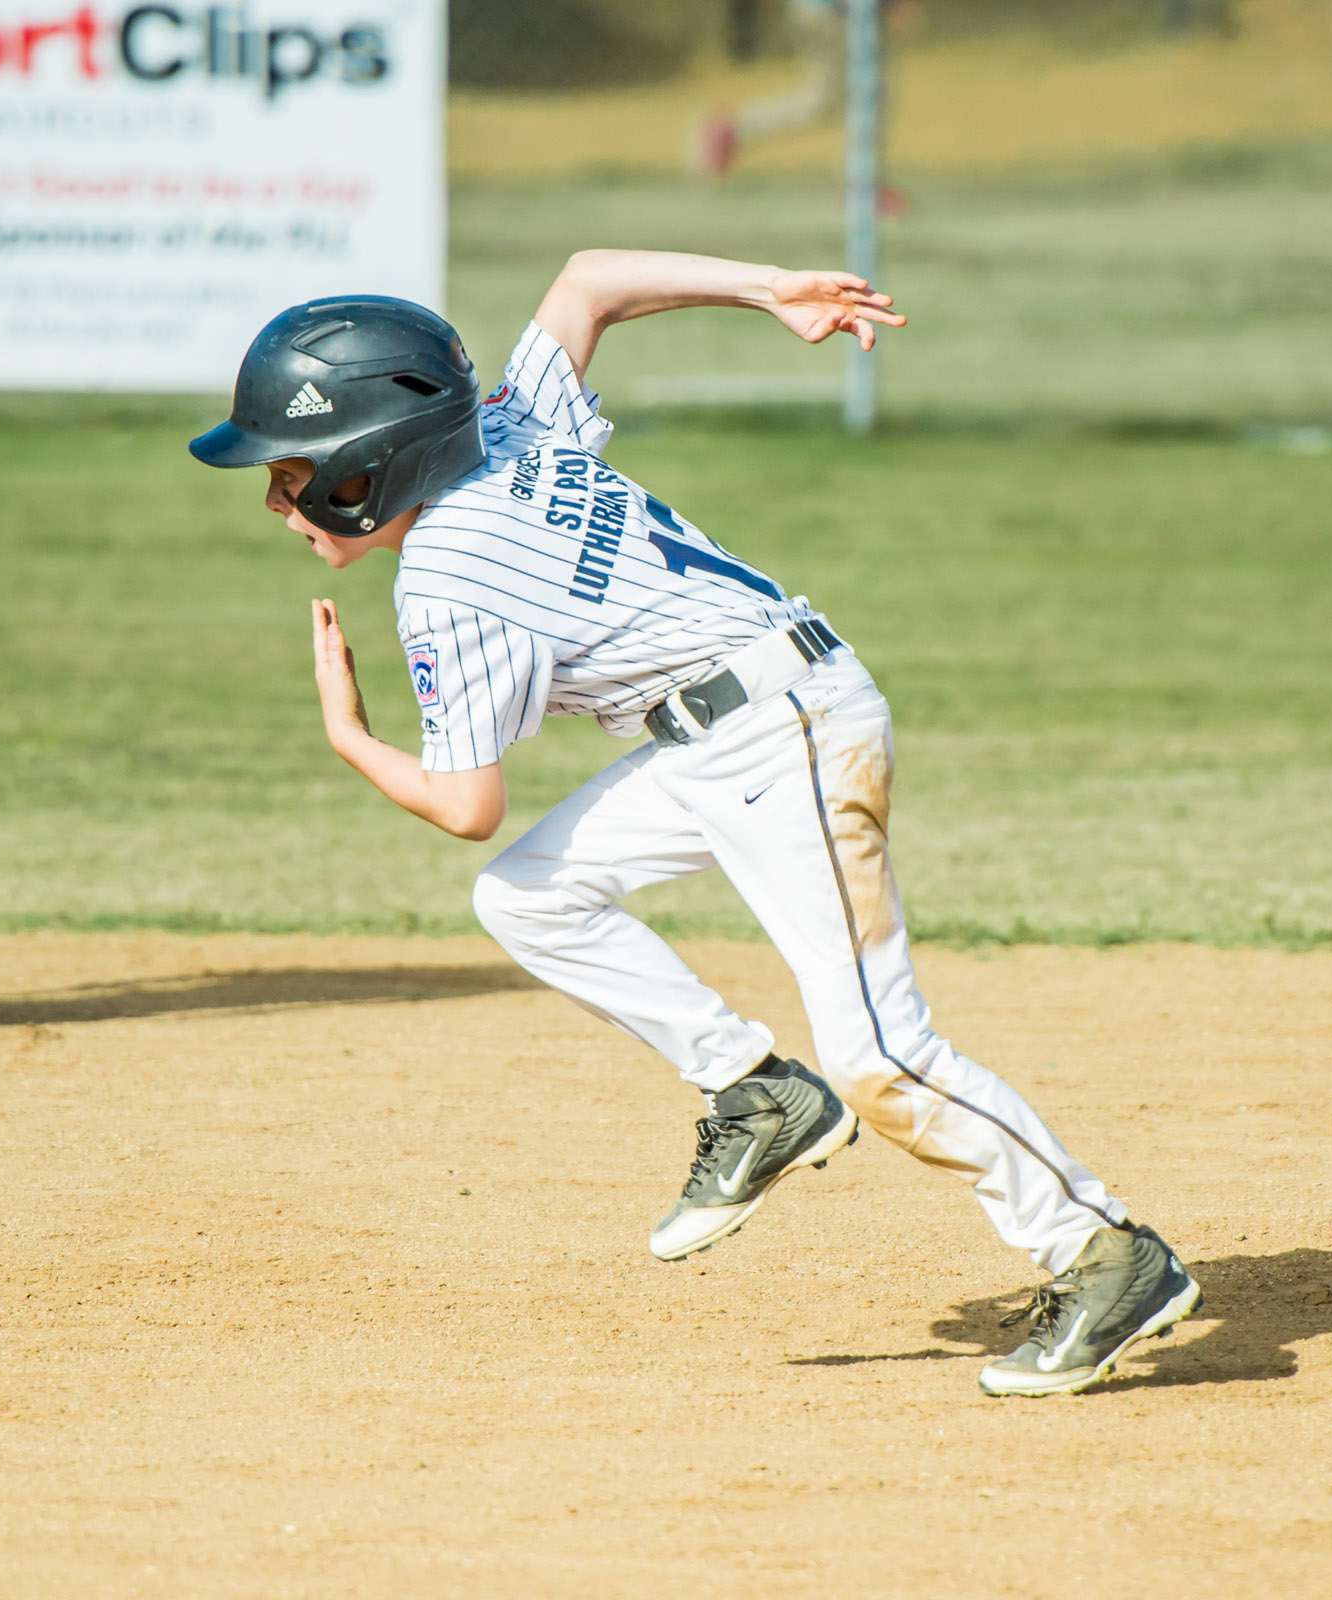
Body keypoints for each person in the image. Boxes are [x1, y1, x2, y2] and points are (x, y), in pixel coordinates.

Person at [186, 251, 1200, 1397]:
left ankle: (1105, 1253)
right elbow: (585, 282)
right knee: (531, 895)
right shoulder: (510, 428)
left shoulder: (449, 577)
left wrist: (352, 740)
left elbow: (467, 805)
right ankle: (755, 1089)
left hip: (783, 735)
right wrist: (769, 289)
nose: (279, 501)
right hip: (731, 729)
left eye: (294, 470)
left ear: (373, 463)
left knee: (879, 1054)